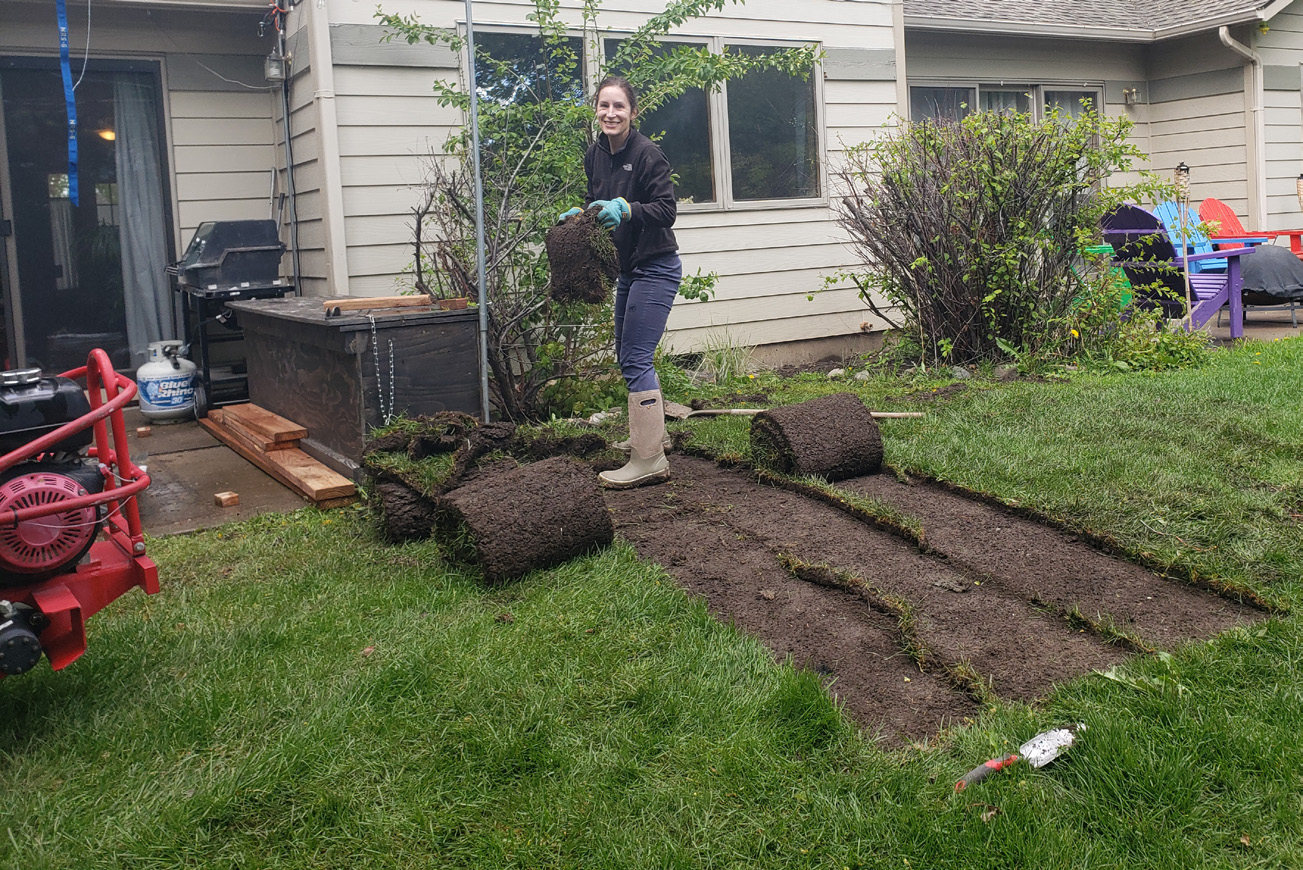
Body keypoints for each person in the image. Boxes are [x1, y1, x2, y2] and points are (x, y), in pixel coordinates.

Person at [558, 76, 681, 489]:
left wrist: (627, 209)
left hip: (657, 266)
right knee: (628, 355)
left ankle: (649, 459)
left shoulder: (648, 155)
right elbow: (598, 202)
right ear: (595, 108)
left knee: (635, 358)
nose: (611, 114)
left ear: (633, 112)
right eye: (604, 106)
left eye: (619, 107)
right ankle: (649, 436)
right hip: (629, 269)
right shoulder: (595, 154)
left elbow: (666, 210)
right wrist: (582, 217)